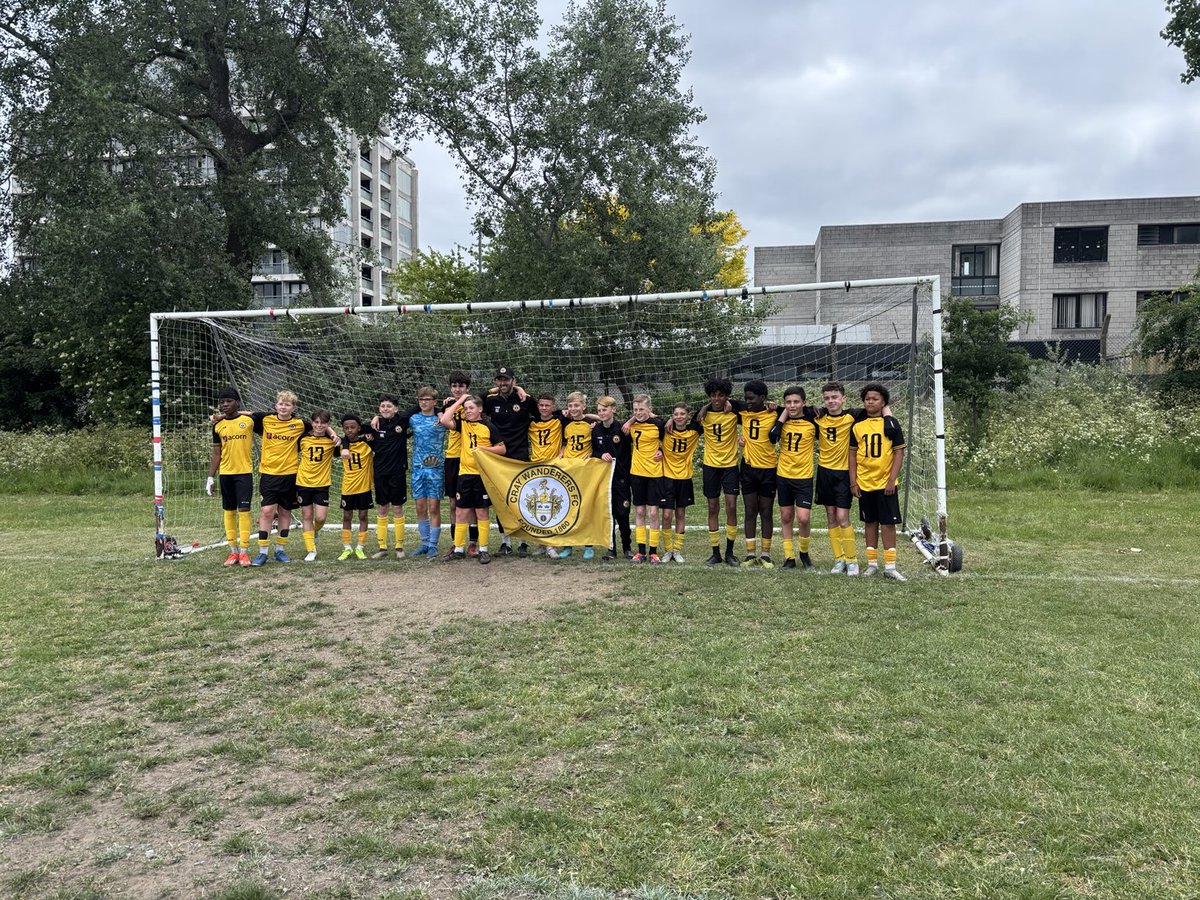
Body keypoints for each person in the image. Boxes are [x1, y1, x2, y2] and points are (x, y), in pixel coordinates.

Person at [849, 382, 908, 582]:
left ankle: (890, 566)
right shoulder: (857, 426)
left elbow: (899, 452)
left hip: (886, 483)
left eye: (875, 399)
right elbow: (852, 455)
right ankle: (872, 564)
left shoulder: (891, 424)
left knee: (888, 524)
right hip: (864, 482)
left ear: (883, 402)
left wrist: (892, 479)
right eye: (867, 399)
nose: (870, 402)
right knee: (869, 522)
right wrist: (853, 482)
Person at [440, 393, 506, 564]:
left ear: (480, 409)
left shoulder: (488, 426)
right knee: (461, 511)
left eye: (471, 408)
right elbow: (444, 420)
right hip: (464, 475)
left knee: (481, 511)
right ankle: (459, 549)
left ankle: (483, 549)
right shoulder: (463, 425)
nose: (467, 411)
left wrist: (483, 449)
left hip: (482, 476)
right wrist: (460, 401)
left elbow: (502, 449)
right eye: (465, 408)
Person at [249, 390, 308, 566]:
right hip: (268, 474)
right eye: (281, 403)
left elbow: (320, 424)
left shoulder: (300, 424)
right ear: (276, 405)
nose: (283, 407)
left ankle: (280, 550)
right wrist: (220, 417)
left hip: (290, 474)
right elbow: (242, 415)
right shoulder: (266, 419)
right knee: (267, 511)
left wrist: (334, 434)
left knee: (284, 512)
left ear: (293, 407)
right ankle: (262, 552)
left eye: (287, 404)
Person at [484, 365, 536, 557]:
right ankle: (505, 542)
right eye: (499, 380)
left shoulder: (525, 400)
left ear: (514, 381)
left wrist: (520, 391)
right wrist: (491, 390)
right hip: (498, 458)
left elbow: (546, 414)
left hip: (520, 456)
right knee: (500, 500)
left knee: (522, 499)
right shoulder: (490, 400)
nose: (503, 383)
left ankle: (524, 542)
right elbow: (471, 400)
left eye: (506, 380)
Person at [815, 382, 863, 576]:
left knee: (843, 517)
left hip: (843, 473)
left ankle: (852, 561)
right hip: (824, 472)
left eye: (834, 397)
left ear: (844, 399)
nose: (831, 401)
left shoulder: (853, 415)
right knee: (831, 516)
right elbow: (791, 409)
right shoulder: (818, 417)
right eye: (827, 398)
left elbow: (879, 405)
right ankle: (839, 559)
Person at [695, 377, 742, 567]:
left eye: (721, 395)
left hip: (730, 466)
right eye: (713, 396)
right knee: (713, 507)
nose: (717, 399)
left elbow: (752, 406)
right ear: (709, 397)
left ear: (726, 396)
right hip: (710, 466)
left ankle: (730, 552)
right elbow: (683, 424)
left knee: (731, 506)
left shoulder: (735, 413)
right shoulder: (703, 416)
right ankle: (715, 552)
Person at [770, 386, 818, 570]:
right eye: (788, 402)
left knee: (804, 518)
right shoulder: (781, 421)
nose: (792, 405)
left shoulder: (813, 421)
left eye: (796, 402)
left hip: (804, 477)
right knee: (786, 516)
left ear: (803, 403)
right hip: (783, 475)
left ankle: (804, 554)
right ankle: (789, 556)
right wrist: (782, 416)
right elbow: (772, 437)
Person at [206, 387, 254, 567]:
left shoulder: (248, 421)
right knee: (229, 511)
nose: (225, 405)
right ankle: (233, 552)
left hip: (244, 474)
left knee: (244, 511)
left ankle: (244, 552)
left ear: (237, 402)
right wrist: (210, 477)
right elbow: (216, 454)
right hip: (225, 474)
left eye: (229, 401)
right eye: (222, 402)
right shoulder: (218, 426)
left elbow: (264, 414)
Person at [737, 380, 779, 568]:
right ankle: (750, 553)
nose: (748, 402)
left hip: (768, 469)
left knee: (766, 511)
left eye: (752, 398)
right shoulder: (743, 413)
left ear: (763, 398)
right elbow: (721, 402)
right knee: (750, 510)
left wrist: (776, 405)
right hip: (748, 468)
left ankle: (766, 553)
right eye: (746, 398)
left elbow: (798, 408)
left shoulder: (774, 413)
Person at [370, 394, 415, 560]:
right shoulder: (374, 425)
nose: (385, 409)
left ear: (396, 408)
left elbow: (421, 406)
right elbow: (352, 430)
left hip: (397, 472)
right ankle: (382, 547)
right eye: (382, 406)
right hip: (380, 472)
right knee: (382, 508)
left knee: (397, 508)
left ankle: (399, 546)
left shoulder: (402, 420)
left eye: (389, 406)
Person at [623, 394, 666, 563]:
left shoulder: (659, 424)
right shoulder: (629, 426)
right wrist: (631, 420)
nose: (638, 413)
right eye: (635, 410)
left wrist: (661, 450)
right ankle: (641, 552)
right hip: (637, 473)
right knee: (640, 511)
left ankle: (653, 552)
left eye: (641, 409)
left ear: (650, 409)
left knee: (653, 513)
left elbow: (668, 442)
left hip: (654, 474)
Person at [296, 410, 342, 562]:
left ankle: (314, 531)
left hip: (322, 484)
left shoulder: (332, 441)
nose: (319, 425)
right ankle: (311, 550)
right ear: (312, 422)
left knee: (320, 518)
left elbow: (342, 448)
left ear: (328, 424)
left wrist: (334, 436)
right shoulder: (302, 438)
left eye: (323, 423)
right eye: (316, 422)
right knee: (307, 516)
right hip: (303, 482)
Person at [442, 370, 479, 558]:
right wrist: (458, 401)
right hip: (452, 457)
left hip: (470, 458)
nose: (457, 389)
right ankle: (456, 543)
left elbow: (494, 393)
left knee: (470, 503)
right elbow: (443, 419)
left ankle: (473, 542)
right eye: (454, 386)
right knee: (453, 503)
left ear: (467, 388)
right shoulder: (449, 404)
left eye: (461, 386)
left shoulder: (474, 405)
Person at [555, 390, 595, 560]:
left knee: (585, 508)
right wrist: (561, 454)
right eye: (570, 406)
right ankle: (568, 545)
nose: (573, 408)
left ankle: (588, 545)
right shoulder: (566, 423)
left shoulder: (592, 423)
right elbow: (565, 442)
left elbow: (598, 441)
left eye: (577, 405)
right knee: (567, 507)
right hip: (569, 469)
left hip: (584, 469)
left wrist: (592, 452)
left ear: (584, 406)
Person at [408, 386, 448, 557]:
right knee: (420, 507)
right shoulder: (413, 419)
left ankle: (433, 544)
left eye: (427, 399)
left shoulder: (442, 420)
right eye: (421, 399)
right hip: (418, 469)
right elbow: (392, 421)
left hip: (436, 470)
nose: (424, 402)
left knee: (434, 507)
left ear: (434, 401)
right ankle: (424, 543)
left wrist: (441, 412)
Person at [591, 395, 632, 560]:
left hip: (621, 479)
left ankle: (627, 548)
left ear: (613, 409)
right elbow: (594, 451)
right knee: (609, 515)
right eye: (599, 410)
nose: (601, 413)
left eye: (604, 409)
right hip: (605, 481)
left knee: (623, 514)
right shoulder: (596, 430)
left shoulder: (623, 429)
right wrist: (601, 455)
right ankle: (611, 549)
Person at [660, 402, 701, 563]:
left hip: (684, 478)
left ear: (688, 416)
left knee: (680, 513)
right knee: (667, 515)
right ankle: (668, 550)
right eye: (675, 414)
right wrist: (667, 421)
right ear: (672, 416)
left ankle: (677, 550)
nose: (679, 417)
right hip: (667, 477)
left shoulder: (695, 430)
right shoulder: (665, 429)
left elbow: (705, 411)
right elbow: (648, 417)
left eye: (682, 414)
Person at [336, 414, 375, 560]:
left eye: (353, 427)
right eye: (346, 428)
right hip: (348, 487)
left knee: (363, 515)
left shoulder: (367, 442)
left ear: (359, 428)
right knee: (347, 516)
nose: (350, 430)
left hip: (364, 488)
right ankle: (346, 548)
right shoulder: (340, 445)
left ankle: (360, 547)